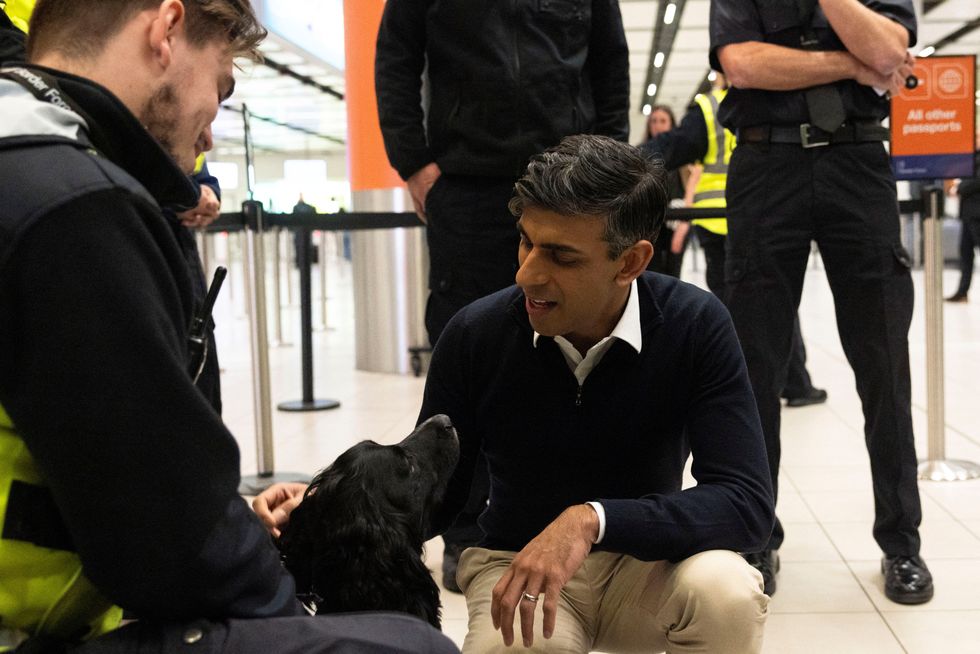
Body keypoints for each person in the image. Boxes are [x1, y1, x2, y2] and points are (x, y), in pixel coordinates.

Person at [0, 2, 457, 652]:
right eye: (219, 88)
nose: (209, 135)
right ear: (166, 31)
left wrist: (232, 517)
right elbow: (171, 542)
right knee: (410, 648)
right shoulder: (74, 208)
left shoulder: (21, 156)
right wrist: (288, 616)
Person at [258, 134, 775, 653]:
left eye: (560, 256)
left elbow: (746, 505)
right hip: (516, 566)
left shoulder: (695, 325)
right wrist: (329, 506)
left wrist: (591, 520)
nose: (526, 273)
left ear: (630, 262)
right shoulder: (474, 334)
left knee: (725, 592)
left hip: (646, 569)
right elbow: (438, 493)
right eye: (526, 241)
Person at [374, 0, 631, 593]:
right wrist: (414, 163)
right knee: (467, 354)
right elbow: (395, 60)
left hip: (570, 184)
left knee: (577, 348)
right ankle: (466, 527)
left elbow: (609, 64)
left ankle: (572, 516)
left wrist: (607, 168)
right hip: (466, 184)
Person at [710, 0, 933, 603]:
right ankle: (755, 536)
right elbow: (743, 64)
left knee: (884, 363)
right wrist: (850, 64)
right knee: (754, 368)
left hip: (857, 163)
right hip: (765, 164)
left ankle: (902, 543)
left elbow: (890, 52)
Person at [641, 72, 827, 409]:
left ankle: (757, 384)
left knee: (738, 306)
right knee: (775, 305)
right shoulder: (781, 94)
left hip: (718, 219)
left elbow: (675, 147)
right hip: (760, 215)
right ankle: (792, 383)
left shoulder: (708, 107)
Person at [641, 104, 690, 277]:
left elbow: (692, 189)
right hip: (650, 225)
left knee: (674, 272)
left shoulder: (685, 156)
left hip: (678, 221)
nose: (657, 125)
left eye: (663, 121)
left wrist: (684, 225)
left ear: (671, 124)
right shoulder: (641, 154)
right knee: (651, 272)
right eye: (653, 121)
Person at [946, 127, 980, 303]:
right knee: (965, 254)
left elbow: (974, 182)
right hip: (967, 215)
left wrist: (958, 188)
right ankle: (962, 291)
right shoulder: (970, 160)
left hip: (977, 215)